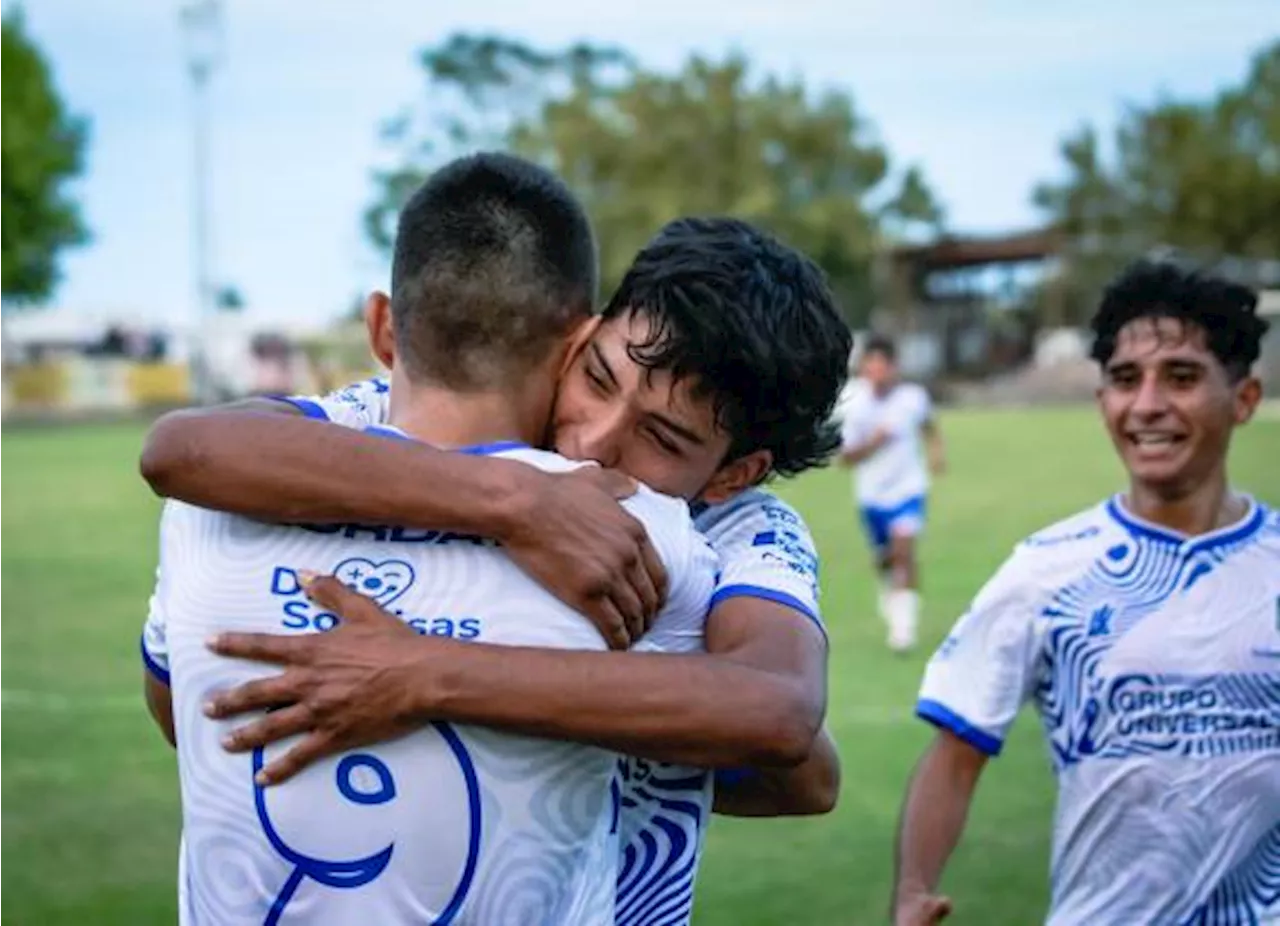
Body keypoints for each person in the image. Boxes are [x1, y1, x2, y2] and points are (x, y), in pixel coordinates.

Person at [141, 214, 852, 924]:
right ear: (583, 332)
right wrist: (519, 503)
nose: (593, 443)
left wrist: (430, 675)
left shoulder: (739, 529)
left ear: (734, 474)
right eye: (598, 378)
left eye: (661, 437)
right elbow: (184, 451)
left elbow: (787, 726)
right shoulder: (398, 418)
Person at [892, 257, 1277, 926]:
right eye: (1126, 380)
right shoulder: (1047, 572)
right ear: (1103, 401)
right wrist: (912, 890)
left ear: (1242, 398)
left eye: (1181, 377)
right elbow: (956, 755)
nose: (1148, 404)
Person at [838, 334, 945, 652]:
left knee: (904, 550)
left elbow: (929, 425)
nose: (878, 373)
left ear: (894, 368)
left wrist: (937, 453)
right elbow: (844, 459)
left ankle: (903, 629)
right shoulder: (852, 401)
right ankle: (891, 592)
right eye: (872, 367)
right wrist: (874, 442)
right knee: (885, 559)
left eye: (883, 367)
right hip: (871, 495)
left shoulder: (913, 397)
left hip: (909, 489)